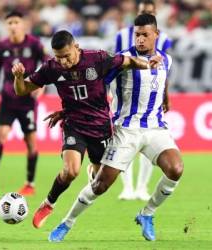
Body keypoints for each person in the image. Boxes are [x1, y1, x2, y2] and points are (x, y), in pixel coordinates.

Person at [48, 14, 183, 242]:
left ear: (156, 35)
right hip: (125, 130)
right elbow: (95, 85)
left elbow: (163, 79)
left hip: (155, 129)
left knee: (176, 169)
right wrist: (71, 109)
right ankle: (66, 222)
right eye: (137, 34)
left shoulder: (166, 60)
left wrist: (166, 98)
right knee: (100, 186)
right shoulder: (122, 59)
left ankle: (147, 214)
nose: (140, 39)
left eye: (145, 35)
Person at [11, 30, 161, 229]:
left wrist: (147, 64)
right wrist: (19, 77)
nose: (63, 62)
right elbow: (22, 90)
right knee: (70, 171)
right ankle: (49, 203)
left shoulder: (97, 59)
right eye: (59, 57)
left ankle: (93, 169)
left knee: (101, 184)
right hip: (74, 124)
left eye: (66, 56)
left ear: (76, 47)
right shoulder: (51, 68)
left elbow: (127, 61)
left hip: (100, 127)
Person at [0, 11, 47, 196]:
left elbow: (46, 63)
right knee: (0, 137)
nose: (13, 25)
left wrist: (42, 84)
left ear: (23, 24)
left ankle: (30, 184)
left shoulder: (35, 44)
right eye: (10, 22)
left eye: (16, 22)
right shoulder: (1, 46)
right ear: (6, 26)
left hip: (27, 99)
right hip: (8, 98)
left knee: (30, 141)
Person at [114, 0, 173, 201]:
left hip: (151, 98)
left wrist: (165, 95)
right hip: (127, 94)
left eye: (150, 11)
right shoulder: (122, 36)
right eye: (142, 11)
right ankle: (128, 187)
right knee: (127, 147)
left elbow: (164, 68)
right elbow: (113, 63)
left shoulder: (164, 40)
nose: (140, 38)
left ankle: (141, 187)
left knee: (151, 146)